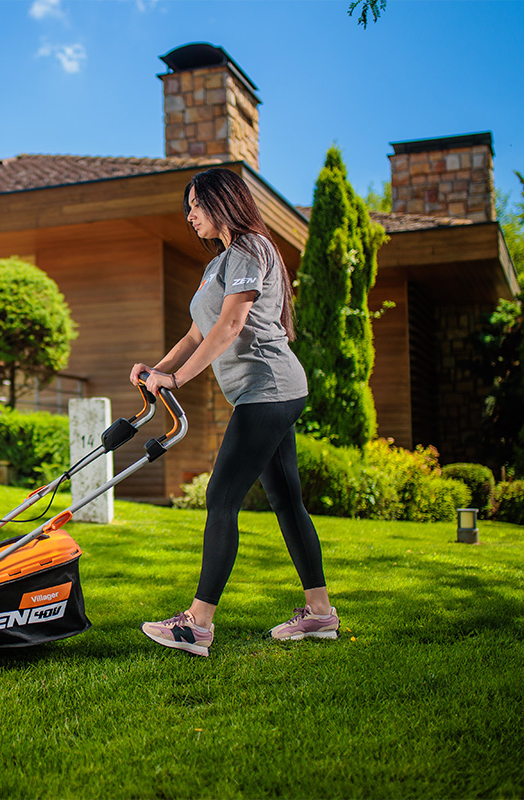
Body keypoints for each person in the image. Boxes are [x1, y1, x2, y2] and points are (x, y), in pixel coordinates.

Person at [129, 167, 337, 657]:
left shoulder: (250, 248)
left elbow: (231, 324)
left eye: (197, 205)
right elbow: (197, 333)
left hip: (270, 388)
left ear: (223, 201)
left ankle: (197, 625)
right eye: (188, 208)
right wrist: (157, 370)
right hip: (261, 393)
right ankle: (320, 613)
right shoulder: (218, 263)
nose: (190, 216)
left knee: (221, 496)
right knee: (286, 500)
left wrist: (178, 380)